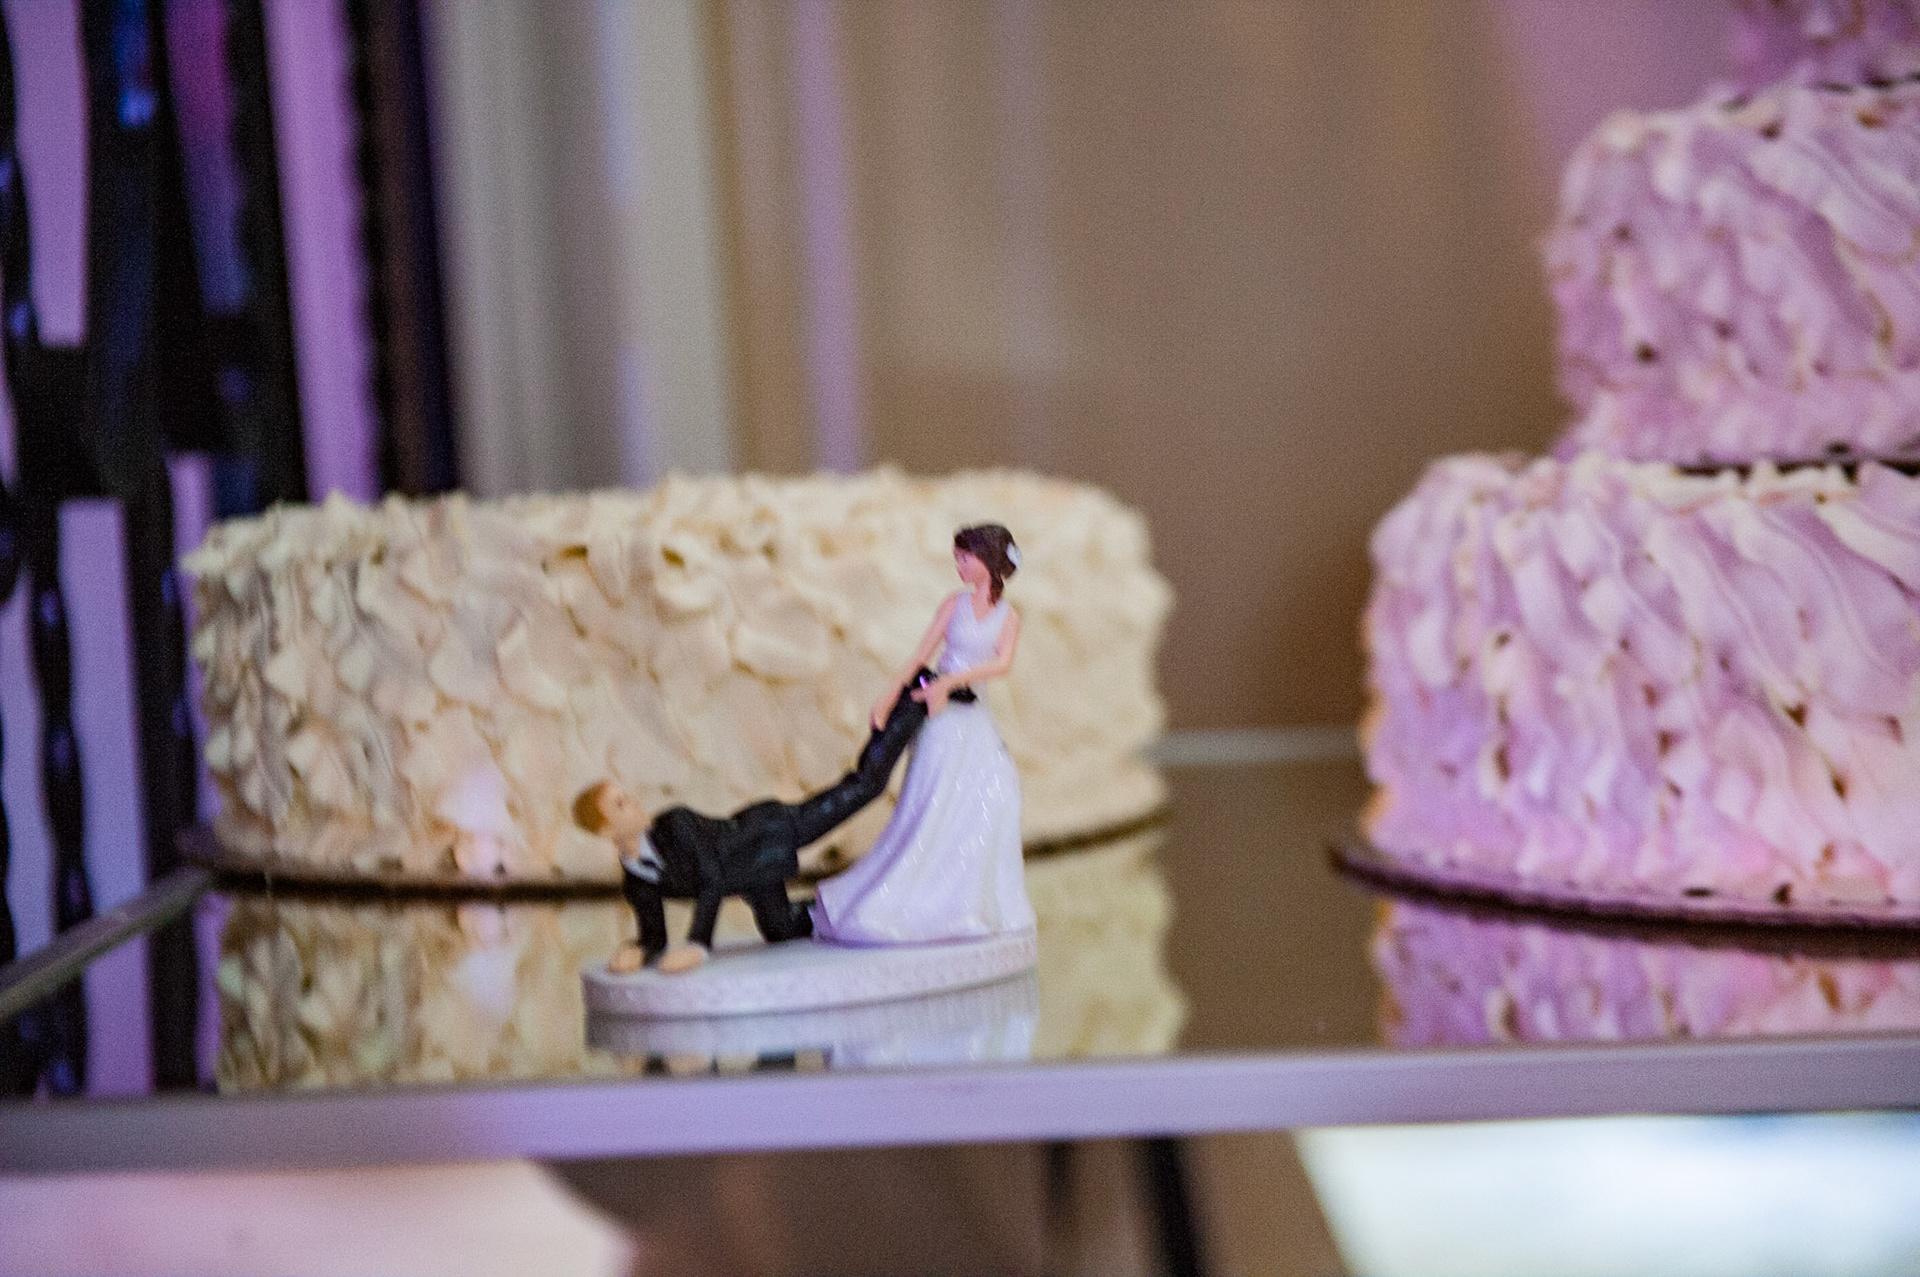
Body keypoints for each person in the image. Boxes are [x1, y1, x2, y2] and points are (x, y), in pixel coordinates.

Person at [574, 684, 931, 974]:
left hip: (765, 834)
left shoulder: (674, 825)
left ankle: (912, 702)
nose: (634, 803)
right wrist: (636, 951)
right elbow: (654, 935)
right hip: (752, 876)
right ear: (605, 831)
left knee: (862, 788)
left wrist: (698, 944)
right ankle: (855, 902)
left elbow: (711, 878)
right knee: (782, 929)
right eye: (620, 805)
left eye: (626, 797)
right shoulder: (636, 879)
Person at [811, 524, 1036, 944]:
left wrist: (955, 681)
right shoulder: (954, 604)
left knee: (997, 792)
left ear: (987, 561)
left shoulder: (1009, 617)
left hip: (973, 714)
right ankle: (906, 896)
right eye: (957, 557)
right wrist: (890, 694)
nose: (959, 565)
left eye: (965, 557)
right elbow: (921, 655)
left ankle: (970, 898)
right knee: (933, 800)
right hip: (940, 715)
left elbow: (1002, 664)